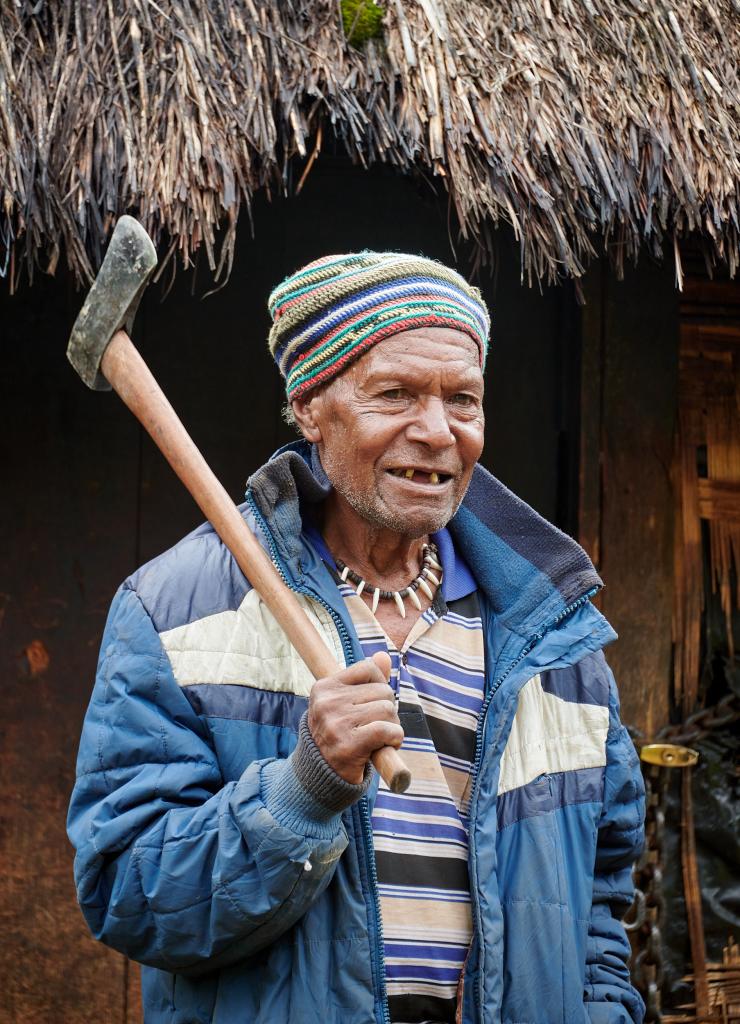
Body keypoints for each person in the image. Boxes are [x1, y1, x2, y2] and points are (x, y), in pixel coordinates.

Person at [68, 251, 645, 1024]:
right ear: (309, 408)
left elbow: (604, 893)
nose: (438, 431)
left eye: (463, 401)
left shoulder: (553, 631)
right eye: (396, 394)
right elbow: (129, 896)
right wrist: (303, 790)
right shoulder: (175, 611)